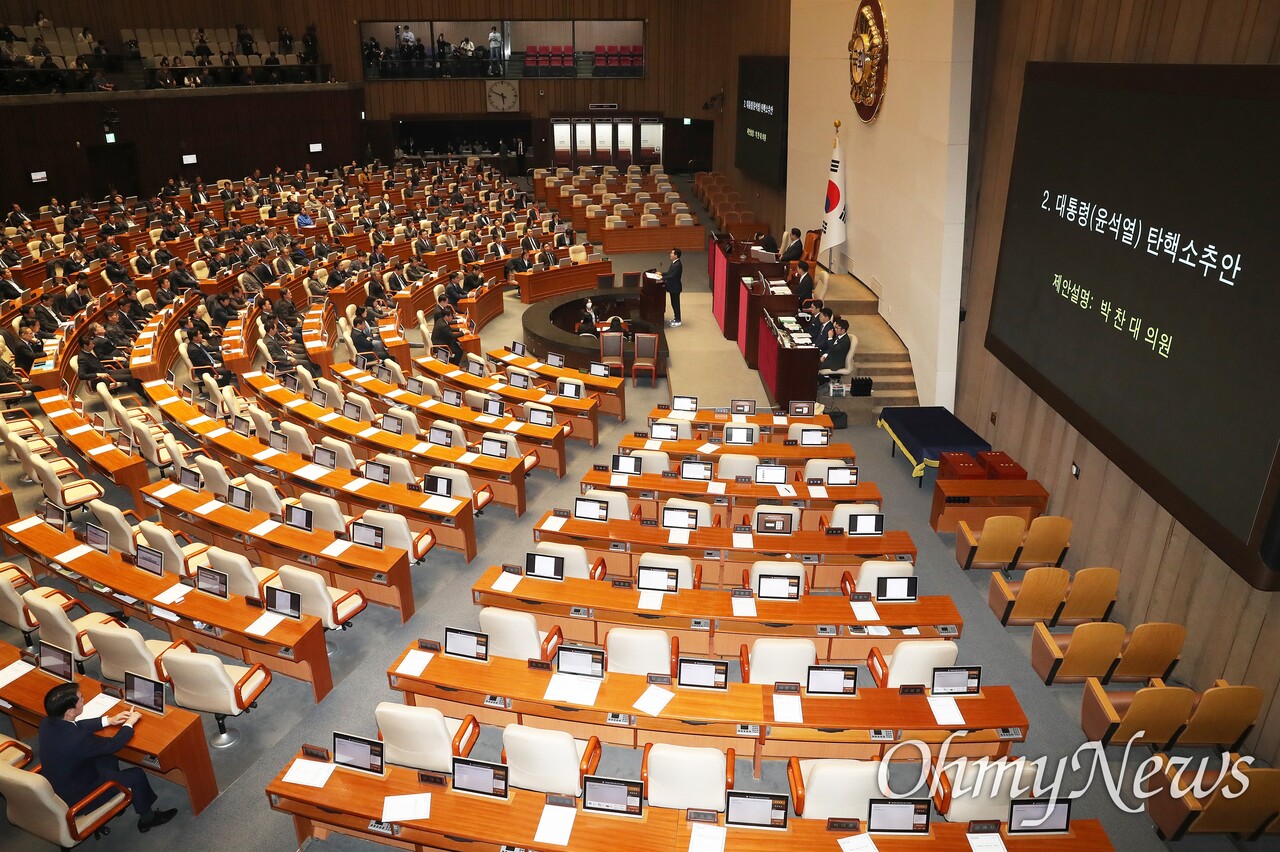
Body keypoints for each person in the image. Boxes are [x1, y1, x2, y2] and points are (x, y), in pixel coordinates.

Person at [38, 683, 177, 834]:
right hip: (81, 796)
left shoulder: (48, 722)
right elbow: (113, 744)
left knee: (107, 757)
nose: (83, 700)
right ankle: (148, 819)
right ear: (70, 711)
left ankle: (119, 798)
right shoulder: (78, 740)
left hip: (63, 782)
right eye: (80, 698)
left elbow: (76, 726)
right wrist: (129, 724)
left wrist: (108, 721)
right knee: (137, 775)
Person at [662, 248, 683, 327]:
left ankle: (678, 320)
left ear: (676, 255)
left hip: (675, 287)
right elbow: (668, 273)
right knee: (673, 303)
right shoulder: (674, 263)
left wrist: (662, 278)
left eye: (672, 253)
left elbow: (672, 276)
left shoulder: (677, 265)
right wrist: (661, 274)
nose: (670, 254)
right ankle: (676, 318)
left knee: (676, 304)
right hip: (672, 287)